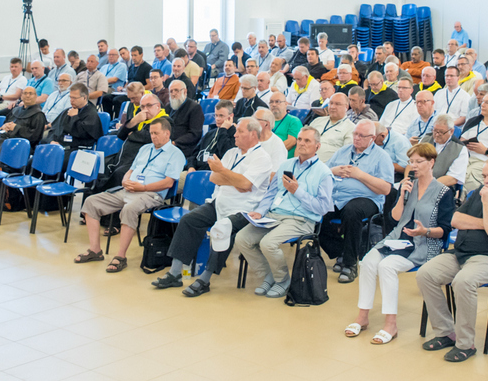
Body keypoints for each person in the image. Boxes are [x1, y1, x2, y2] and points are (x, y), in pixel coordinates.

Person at [416, 158, 488, 362]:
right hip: (461, 253)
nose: (486, 181)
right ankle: (445, 332)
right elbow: (455, 220)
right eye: (484, 176)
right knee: (426, 273)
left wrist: (487, 205)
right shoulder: (478, 192)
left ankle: (465, 344)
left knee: (463, 281)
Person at [344, 143, 456, 344]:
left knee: (386, 266)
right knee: (368, 261)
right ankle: (362, 316)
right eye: (411, 161)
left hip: (425, 242)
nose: (413, 166)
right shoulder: (407, 185)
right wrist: (402, 196)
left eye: (418, 162)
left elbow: (445, 230)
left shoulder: (443, 192)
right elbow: (395, 218)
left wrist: (425, 231)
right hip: (398, 238)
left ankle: (391, 324)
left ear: (431, 163)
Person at [152, 117, 275, 296]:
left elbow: (246, 184)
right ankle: (175, 273)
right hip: (218, 203)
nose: (235, 134)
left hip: (244, 210)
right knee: (189, 220)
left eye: (240, 131)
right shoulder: (231, 153)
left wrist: (225, 173)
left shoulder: (262, 158)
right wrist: (234, 180)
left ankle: (205, 278)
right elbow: (214, 178)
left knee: (222, 229)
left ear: (253, 134)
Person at [236, 126, 334, 298]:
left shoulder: (324, 173)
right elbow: (271, 193)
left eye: (307, 141)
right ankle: (268, 276)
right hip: (274, 215)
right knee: (242, 238)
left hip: (301, 219)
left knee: (268, 244)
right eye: (300, 139)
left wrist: (298, 191)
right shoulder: (286, 165)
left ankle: (282, 280)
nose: (301, 143)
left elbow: (323, 208)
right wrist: (260, 211)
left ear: (317, 146)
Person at [75, 120, 183, 272]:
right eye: (151, 133)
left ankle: (120, 256)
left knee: (129, 209)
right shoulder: (145, 148)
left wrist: (143, 187)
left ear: (167, 133)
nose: (153, 137)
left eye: (156, 133)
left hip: (151, 194)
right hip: (129, 189)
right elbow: (131, 170)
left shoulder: (175, 154)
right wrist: (125, 180)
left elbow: (168, 183)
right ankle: (95, 250)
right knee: (91, 202)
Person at [320, 122, 394, 283]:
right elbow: (322, 173)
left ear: (372, 138)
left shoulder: (382, 157)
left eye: (362, 136)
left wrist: (359, 175)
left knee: (353, 211)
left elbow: (386, 189)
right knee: (316, 210)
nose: (357, 138)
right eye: (355, 134)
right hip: (337, 197)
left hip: (368, 199)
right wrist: (333, 171)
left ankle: (350, 263)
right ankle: (340, 251)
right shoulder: (343, 151)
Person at [310, 93, 357, 162]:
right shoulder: (317, 121)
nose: (332, 107)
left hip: (328, 168)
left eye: (337, 104)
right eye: (331, 103)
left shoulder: (351, 128)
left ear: (346, 107)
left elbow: (346, 155)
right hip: (306, 163)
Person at [193, 101, 237, 169]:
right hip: (197, 170)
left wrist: (223, 129)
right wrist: (191, 167)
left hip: (216, 174)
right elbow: (195, 153)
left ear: (230, 116)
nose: (217, 119)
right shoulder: (210, 133)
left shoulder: (236, 135)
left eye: (221, 116)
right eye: (216, 115)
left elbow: (225, 154)